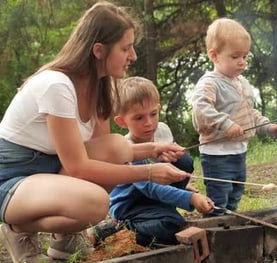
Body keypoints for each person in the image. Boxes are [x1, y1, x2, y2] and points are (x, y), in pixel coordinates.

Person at [0, 2, 190, 263]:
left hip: (49, 177)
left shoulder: (102, 88)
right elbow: (79, 168)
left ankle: (64, 240)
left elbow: (107, 154)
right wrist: (149, 173)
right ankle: (17, 229)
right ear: (99, 50)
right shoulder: (57, 86)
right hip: (8, 183)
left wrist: (154, 150)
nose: (133, 55)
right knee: (96, 203)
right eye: (125, 48)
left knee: (115, 146)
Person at [89, 76, 214, 247]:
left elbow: (171, 167)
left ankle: (163, 209)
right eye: (139, 118)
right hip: (132, 205)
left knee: (183, 160)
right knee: (173, 225)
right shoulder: (127, 149)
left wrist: (183, 187)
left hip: (154, 196)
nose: (149, 123)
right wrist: (191, 198)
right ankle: (118, 228)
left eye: (153, 114)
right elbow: (150, 188)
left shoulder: (162, 130)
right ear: (121, 121)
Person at [191, 18, 277, 216]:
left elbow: (249, 113)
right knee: (219, 198)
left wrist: (266, 126)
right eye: (235, 57)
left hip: (239, 153)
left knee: (235, 194)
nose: (242, 62)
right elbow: (201, 109)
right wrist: (226, 124)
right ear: (214, 56)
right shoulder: (210, 83)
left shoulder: (242, 83)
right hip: (217, 155)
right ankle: (215, 229)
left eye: (245, 56)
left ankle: (229, 226)